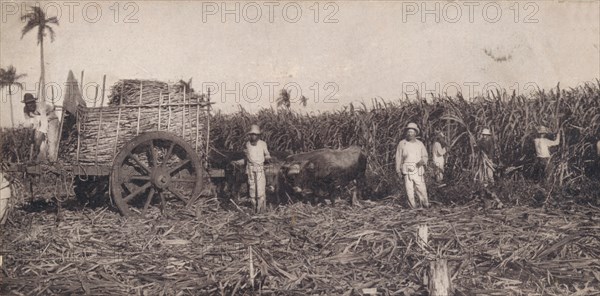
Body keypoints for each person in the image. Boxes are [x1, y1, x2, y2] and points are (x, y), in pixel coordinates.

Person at [395, 122, 429, 209]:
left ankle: (425, 204)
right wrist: (398, 170)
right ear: (406, 133)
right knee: (409, 190)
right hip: (407, 169)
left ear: (415, 133)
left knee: (421, 188)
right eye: (409, 132)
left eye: (412, 132)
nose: (410, 134)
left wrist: (422, 161)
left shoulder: (419, 144)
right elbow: (398, 157)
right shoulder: (402, 143)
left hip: (418, 169)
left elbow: (425, 155)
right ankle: (412, 206)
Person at [22, 93, 59, 162]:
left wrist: (39, 134)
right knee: (39, 140)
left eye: (32, 102)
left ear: (34, 102)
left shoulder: (40, 107)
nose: (30, 105)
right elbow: (28, 122)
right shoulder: (25, 110)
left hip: (51, 119)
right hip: (39, 120)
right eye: (28, 103)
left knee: (51, 139)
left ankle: (52, 160)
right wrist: (31, 133)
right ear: (26, 104)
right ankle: (42, 160)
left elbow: (44, 124)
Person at [244, 124, 271, 214]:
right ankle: (253, 207)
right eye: (252, 134)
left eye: (255, 134)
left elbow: (267, 153)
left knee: (260, 188)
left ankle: (261, 209)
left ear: (258, 135)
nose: (253, 136)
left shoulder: (263, 144)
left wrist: (267, 156)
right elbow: (248, 156)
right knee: (252, 188)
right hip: (251, 168)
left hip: (259, 168)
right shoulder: (248, 144)